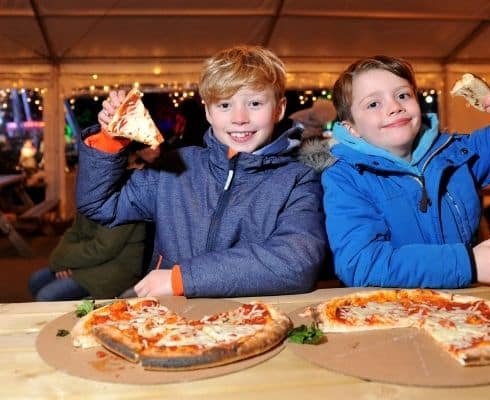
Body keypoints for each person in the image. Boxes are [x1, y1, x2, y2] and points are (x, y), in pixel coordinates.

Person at [76, 45, 327, 298]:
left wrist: (181, 279)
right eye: (225, 105)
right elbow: (102, 204)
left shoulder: (297, 178)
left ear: (279, 109)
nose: (240, 118)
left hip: (251, 322)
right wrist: (109, 139)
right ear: (207, 111)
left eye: (254, 103)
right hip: (171, 324)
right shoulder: (175, 168)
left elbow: (297, 261)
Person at [322, 55, 490, 288]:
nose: (395, 107)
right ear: (352, 128)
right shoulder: (345, 177)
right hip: (392, 309)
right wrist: (466, 263)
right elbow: (360, 264)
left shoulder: (455, 152)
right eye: (373, 104)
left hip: (463, 305)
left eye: (402, 95)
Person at [28, 211, 146, 301]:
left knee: (46, 296)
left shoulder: (122, 199)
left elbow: (102, 248)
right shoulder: (92, 191)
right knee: (36, 280)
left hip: (117, 269)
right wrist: (62, 261)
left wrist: (63, 260)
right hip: (92, 261)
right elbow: (75, 231)